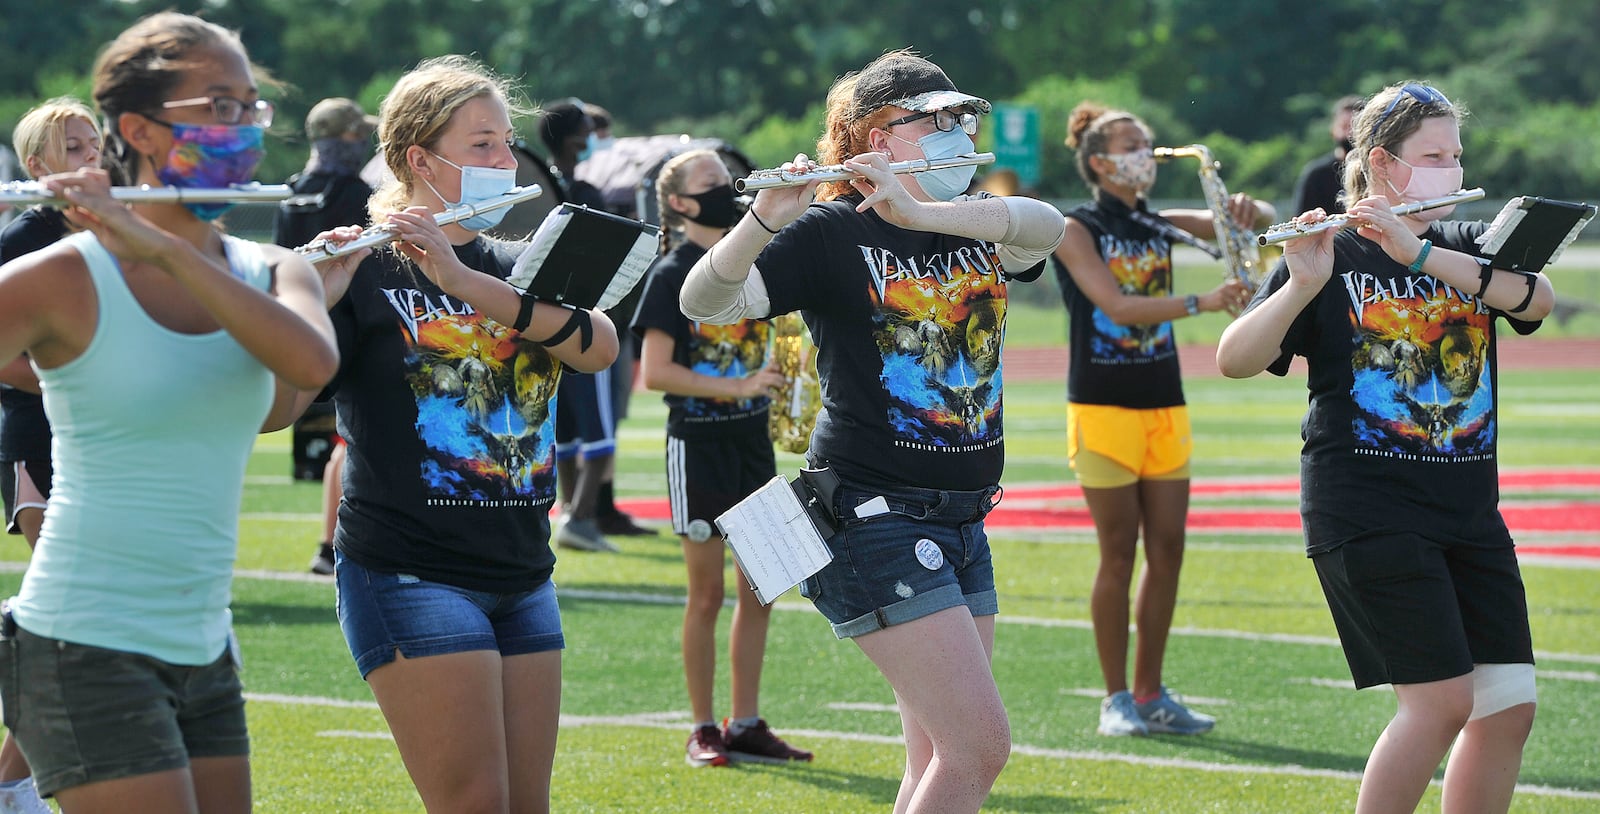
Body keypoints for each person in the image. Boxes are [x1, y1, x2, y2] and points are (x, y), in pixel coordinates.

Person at [679, 50, 1066, 813]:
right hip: (871, 517)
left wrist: (918, 211)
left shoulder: (971, 219)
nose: (958, 132)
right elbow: (706, 301)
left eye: (963, 119)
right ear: (871, 139)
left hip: (961, 517)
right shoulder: (829, 232)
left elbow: (1046, 226)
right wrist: (761, 220)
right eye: (935, 119)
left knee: (931, 755)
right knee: (977, 748)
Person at [0, 12, 338, 812]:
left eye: (250, 106)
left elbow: (308, 370)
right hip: (83, 637)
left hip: (202, 641)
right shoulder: (62, 276)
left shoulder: (278, 271)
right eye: (217, 106)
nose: (244, 127)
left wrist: (165, 249)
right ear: (140, 130)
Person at [1217, 81, 1548, 813]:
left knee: (1508, 706)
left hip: (1468, 510)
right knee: (1437, 704)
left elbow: (1535, 298)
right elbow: (1234, 359)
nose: (1452, 169)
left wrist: (1421, 251)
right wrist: (1301, 284)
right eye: (1434, 155)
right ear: (1383, 162)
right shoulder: (1328, 249)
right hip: (1368, 510)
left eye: (1457, 155)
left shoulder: (1463, 246)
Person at [308, 55, 618, 813]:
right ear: (420, 158)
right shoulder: (361, 266)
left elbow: (598, 344)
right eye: (483, 144)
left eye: (507, 143)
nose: (506, 162)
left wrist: (464, 281)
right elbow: (283, 401)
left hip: (522, 571)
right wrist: (306, 299)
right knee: (475, 802)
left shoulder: (520, 266)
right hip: (409, 571)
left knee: (526, 805)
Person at [1051, 102, 1272, 738]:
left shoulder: (1154, 221)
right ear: (1098, 161)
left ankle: (1152, 693)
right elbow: (1117, 306)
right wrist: (1205, 302)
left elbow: (1231, 225)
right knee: (1118, 554)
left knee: (1169, 550)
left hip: (1163, 402)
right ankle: (1115, 698)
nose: (1144, 155)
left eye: (1147, 143)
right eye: (1130, 145)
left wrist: (1245, 215)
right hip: (1101, 404)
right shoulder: (1076, 226)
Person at [632, 149, 811, 768]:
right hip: (698, 446)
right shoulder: (672, 273)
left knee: (763, 586)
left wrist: (793, 392)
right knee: (706, 595)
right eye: (710, 183)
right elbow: (655, 373)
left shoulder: (751, 263)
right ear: (679, 203)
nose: (726, 189)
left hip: (752, 443)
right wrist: (738, 387)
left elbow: (783, 336)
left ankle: (748, 721)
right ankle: (704, 726)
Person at [0, 96, 103, 814]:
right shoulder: (26, 234)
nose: (93, 160)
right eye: (74, 149)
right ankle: (13, 783)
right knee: (69, 613)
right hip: (40, 434)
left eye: (98, 146)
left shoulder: (114, 227)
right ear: (37, 166)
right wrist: (83, 386)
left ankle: (12, 779)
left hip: (107, 440)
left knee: (77, 617)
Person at [272, 96, 379, 576]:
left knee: (343, 439)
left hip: (295, 322)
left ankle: (329, 544)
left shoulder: (294, 190)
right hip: (347, 323)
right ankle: (331, 544)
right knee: (348, 439)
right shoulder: (356, 191)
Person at [537, 100, 635, 550]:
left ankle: (573, 511)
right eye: (586, 131)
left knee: (567, 427)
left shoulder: (535, 189)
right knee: (597, 427)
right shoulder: (579, 191)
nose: (592, 138)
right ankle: (581, 515)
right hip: (583, 320)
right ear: (572, 138)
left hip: (542, 326)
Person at [1291, 95, 1366, 216]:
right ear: (1333, 130)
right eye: (1345, 127)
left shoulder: (1378, 169)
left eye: (1356, 127)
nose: (1351, 134)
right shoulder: (1316, 175)